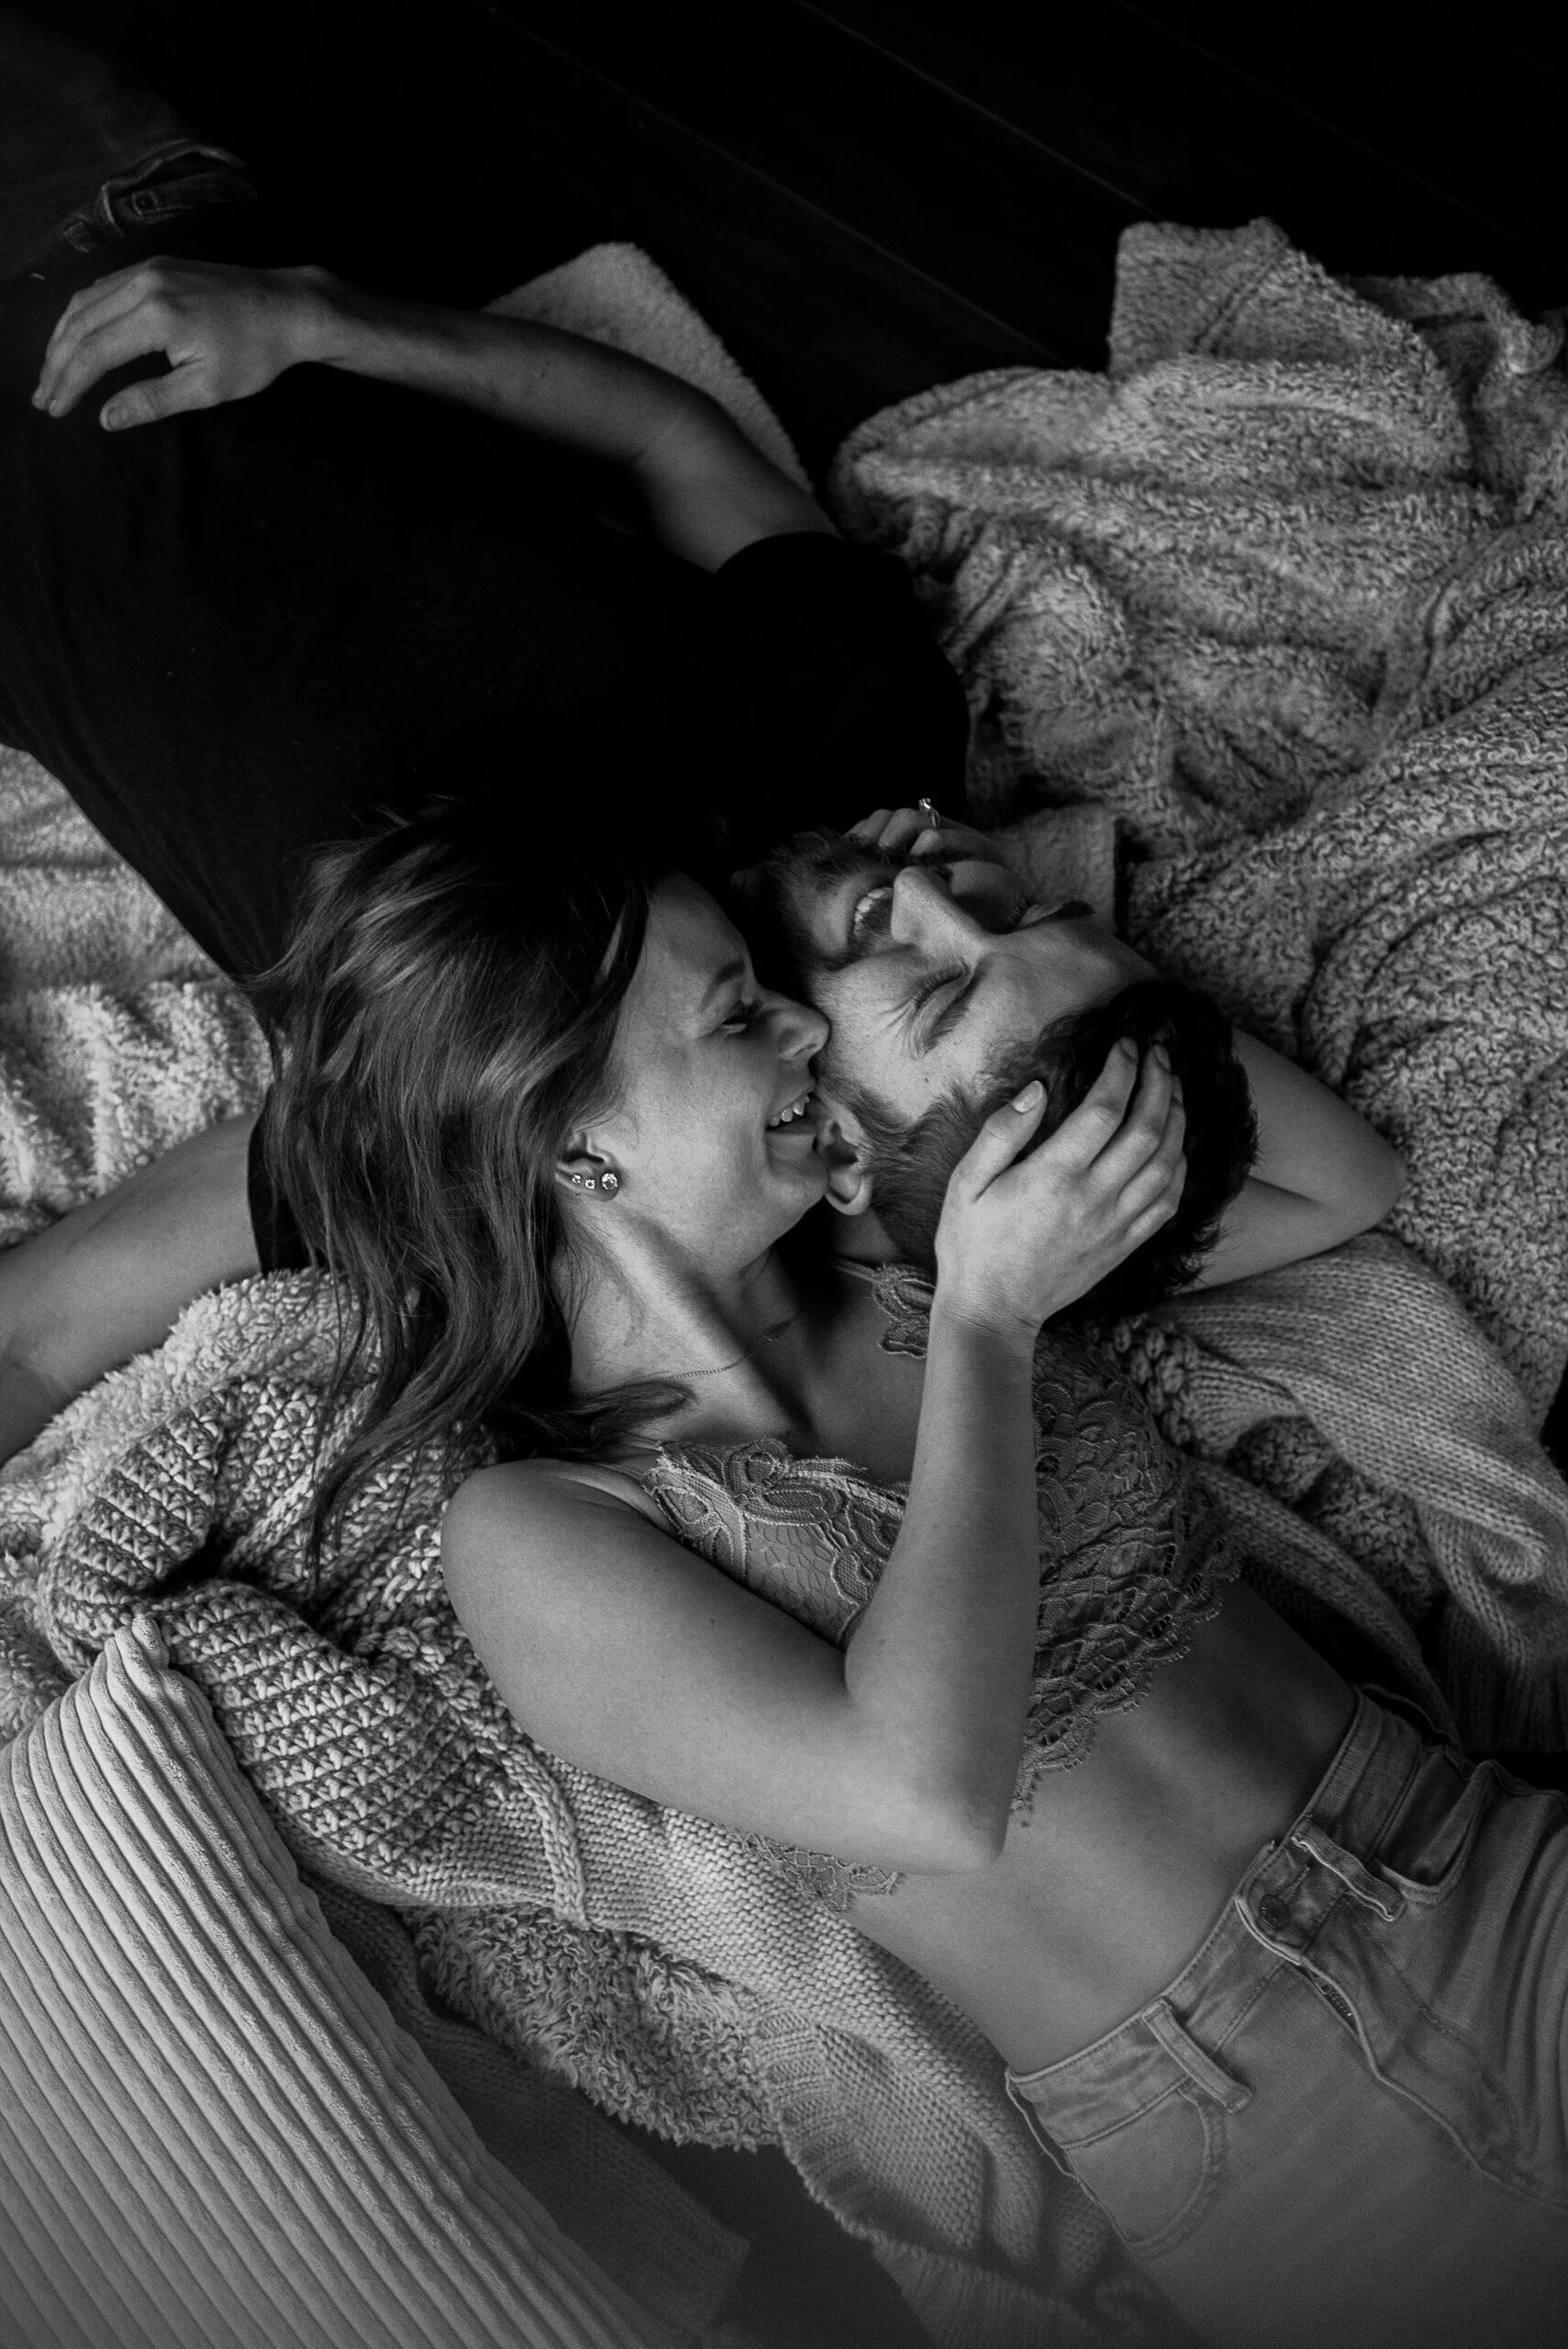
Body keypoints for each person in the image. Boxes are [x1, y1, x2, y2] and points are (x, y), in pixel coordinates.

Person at [4, 25, 1566, 2343]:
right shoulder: (547, 1530)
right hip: (1253, 2134)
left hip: (1488, 1880)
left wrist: (1021, 1000)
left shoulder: (915, 1229)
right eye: (744, 1004)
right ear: (565, 1131)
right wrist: (994, 1307)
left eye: (789, 988)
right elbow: (911, 1791)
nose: (799, 1030)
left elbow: (1321, 1172)